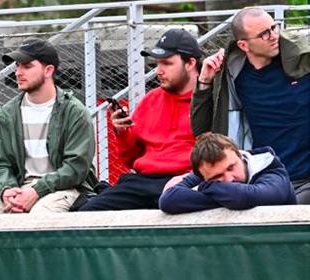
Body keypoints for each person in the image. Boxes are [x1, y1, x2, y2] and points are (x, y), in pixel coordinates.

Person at [190, 7, 310, 203]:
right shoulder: (232, 75)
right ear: (244, 45)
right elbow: (201, 130)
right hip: (265, 176)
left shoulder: (303, 64)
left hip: (306, 178)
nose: (273, 36)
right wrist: (205, 82)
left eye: (274, 27)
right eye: (264, 34)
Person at [0, 39, 96, 215]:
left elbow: (75, 168)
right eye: (17, 66)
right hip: (18, 188)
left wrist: (36, 191)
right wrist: (7, 190)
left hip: (65, 189)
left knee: (40, 218)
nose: (18, 72)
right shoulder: (8, 114)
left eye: (26, 66)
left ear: (48, 70)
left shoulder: (74, 112)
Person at [79, 29, 200, 211]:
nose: (158, 71)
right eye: (157, 63)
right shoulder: (151, 99)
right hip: (143, 181)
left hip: (187, 179)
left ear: (191, 63)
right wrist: (122, 133)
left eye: (167, 63)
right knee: (88, 212)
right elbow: (130, 159)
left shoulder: (209, 100)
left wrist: (193, 177)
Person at [159, 132, 296, 214]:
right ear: (204, 177)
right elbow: (168, 200)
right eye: (218, 177)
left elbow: (248, 196)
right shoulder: (206, 171)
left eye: (231, 168)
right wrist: (227, 198)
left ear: (240, 156)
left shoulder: (269, 167)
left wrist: (208, 188)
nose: (229, 179)